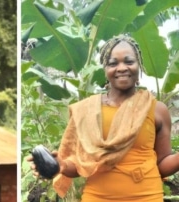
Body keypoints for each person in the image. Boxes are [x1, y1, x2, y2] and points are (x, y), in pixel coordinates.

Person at [28, 35, 177, 202]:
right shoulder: (87, 110)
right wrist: (61, 166)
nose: (121, 68)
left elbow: (162, 165)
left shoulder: (156, 109)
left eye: (129, 62)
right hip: (98, 197)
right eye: (113, 63)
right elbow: (78, 165)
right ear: (105, 69)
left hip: (147, 196)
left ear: (139, 66)